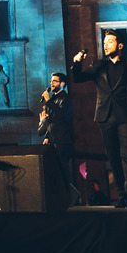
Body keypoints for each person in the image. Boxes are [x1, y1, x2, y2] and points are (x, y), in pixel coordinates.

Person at [72, 29, 127, 208]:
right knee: (113, 157)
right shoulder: (98, 65)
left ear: (120, 45)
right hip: (105, 117)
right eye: (104, 42)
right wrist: (76, 63)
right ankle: (122, 194)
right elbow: (78, 78)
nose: (106, 45)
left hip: (125, 117)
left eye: (110, 41)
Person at [38, 71, 78, 204]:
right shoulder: (53, 100)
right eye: (51, 81)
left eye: (55, 81)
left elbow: (61, 117)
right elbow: (50, 121)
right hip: (52, 141)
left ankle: (70, 199)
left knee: (63, 170)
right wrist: (47, 136)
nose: (51, 83)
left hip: (63, 140)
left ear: (62, 84)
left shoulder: (66, 99)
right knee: (54, 171)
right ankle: (59, 199)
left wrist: (48, 101)